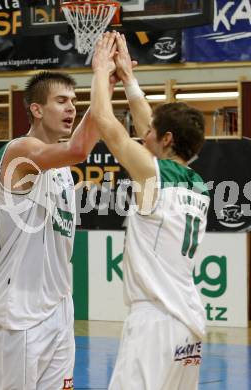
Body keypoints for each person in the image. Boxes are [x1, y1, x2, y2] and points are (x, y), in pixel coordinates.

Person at [91, 32, 210, 390]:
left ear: (168, 139)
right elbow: (149, 127)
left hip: (155, 321)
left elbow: (104, 120)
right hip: (189, 322)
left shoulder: (153, 175)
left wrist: (100, 71)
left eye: (152, 134)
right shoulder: (197, 183)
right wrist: (128, 79)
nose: (144, 137)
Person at [0, 71, 99, 390]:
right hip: (18, 310)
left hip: (58, 306)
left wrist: (111, 82)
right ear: (36, 109)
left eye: (75, 101)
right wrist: (103, 75)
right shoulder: (20, 152)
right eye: (61, 101)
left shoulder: (62, 171)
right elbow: (79, 150)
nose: (71, 108)